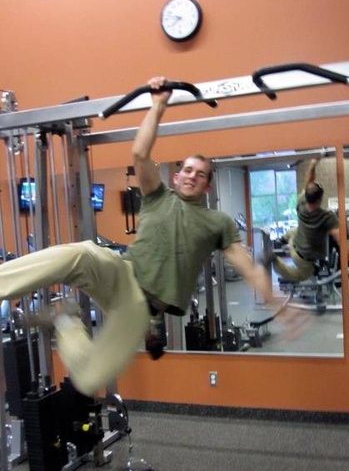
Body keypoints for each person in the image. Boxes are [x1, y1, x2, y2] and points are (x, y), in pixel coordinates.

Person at [0, 76, 300, 396]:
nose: (192, 176)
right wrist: (158, 105)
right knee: (78, 253)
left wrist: (275, 300)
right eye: (187, 170)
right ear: (176, 174)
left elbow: (246, 266)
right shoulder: (158, 195)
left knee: (88, 380)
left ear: (207, 185)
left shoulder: (218, 223)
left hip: (140, 305)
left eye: (200, 174)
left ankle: (65, 320)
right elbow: (141, 153)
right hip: (121, 272)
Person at [269, 158, 349, 282]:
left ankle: (283, 239)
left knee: (297, 229)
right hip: (303, 259)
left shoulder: (301, 202)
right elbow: (342, 241)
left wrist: (313, 164)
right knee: (300, 275)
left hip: (294, 243)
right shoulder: (326, 217)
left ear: (307, 196)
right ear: (320, 200)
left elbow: (309, 181)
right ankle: (274, 260)